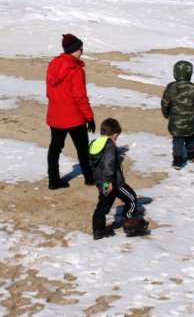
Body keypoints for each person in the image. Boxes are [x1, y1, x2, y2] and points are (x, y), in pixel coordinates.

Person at [45, 33, 96, 190]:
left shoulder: (53, 64)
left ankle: (53, 181)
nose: (82, 52)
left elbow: (49, 92)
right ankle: (89, 178)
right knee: (82, 148)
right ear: (76, 49)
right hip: (74, 117)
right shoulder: (75, 69)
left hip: (56, 115)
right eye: (81, 49)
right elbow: (80, 97)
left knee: (55, 148)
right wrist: (90, 117)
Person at [89, 118, 149, 239]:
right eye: (117, 136)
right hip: (114, 182)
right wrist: (110, 182)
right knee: (131, 197)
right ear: (115, 135)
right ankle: (129, 223)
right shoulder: (109, 145)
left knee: (104, 204)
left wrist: (103, 183)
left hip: (101, 182)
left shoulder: (94, 143)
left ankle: (98, 230)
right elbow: (109, 165)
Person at [161, 60, 194, 170]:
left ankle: (177, 161)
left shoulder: (171, 87)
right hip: (190, 121)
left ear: (175, 73)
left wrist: (165, 113)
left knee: (177, 139)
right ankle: (192, 154)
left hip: (175, 121)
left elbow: (165, 102)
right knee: (190, 137)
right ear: (189, 73)